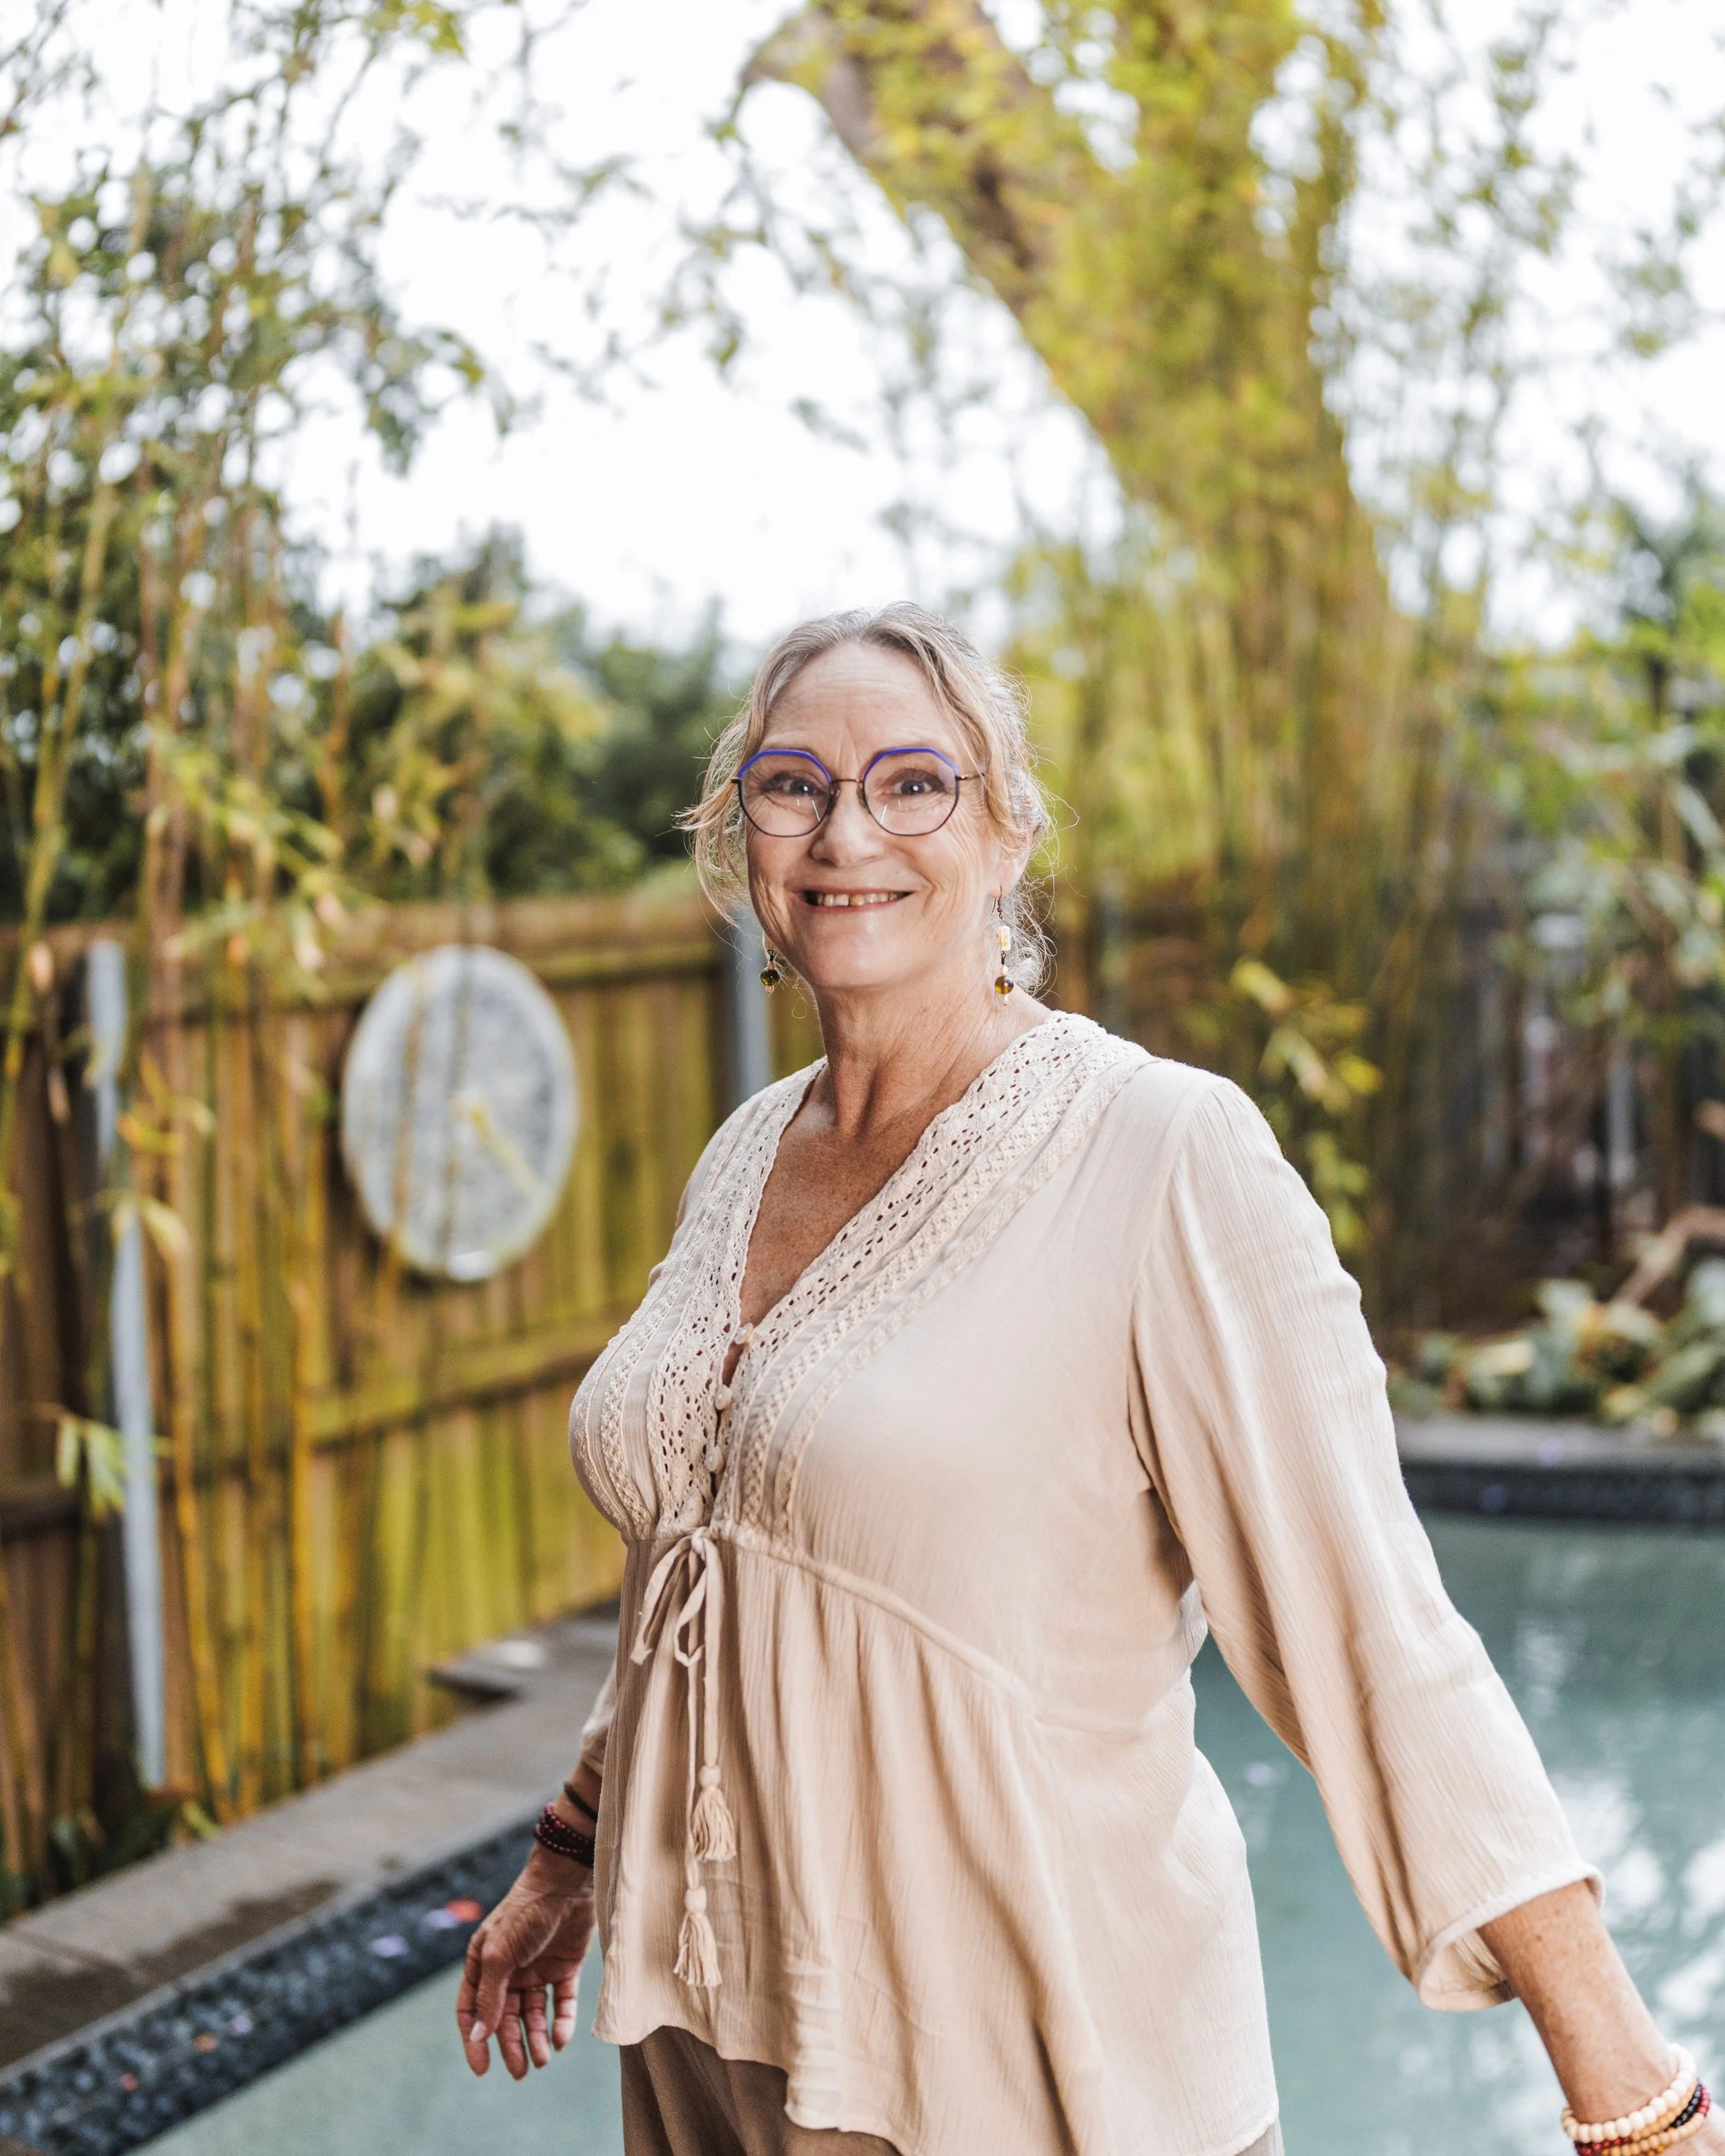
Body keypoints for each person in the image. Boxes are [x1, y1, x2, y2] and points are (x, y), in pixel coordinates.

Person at [457, 602, 1719, 2156]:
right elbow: (717, 1555)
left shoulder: (1160, 1154)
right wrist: (573, 1847)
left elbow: (1370, 1626)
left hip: (1038, 2074)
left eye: (911, 781)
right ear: (741, 839)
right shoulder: (743, 1153)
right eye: (792, 784)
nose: (846, 826)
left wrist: (1627, 2085)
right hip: (719, 2043)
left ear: (1003, 836)